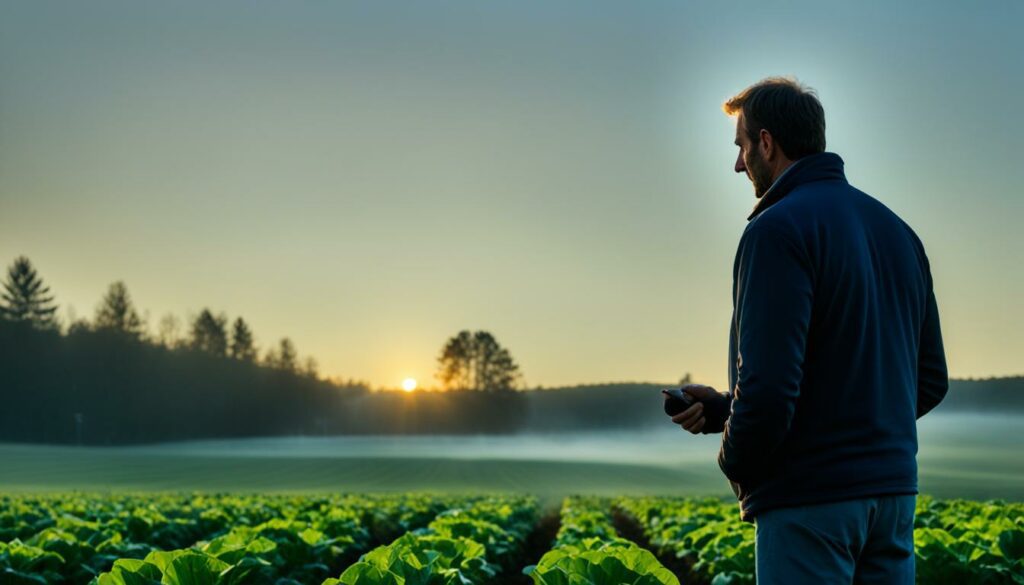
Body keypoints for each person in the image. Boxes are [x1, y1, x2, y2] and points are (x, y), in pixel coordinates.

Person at [668, 77, 949, 584]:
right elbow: (928, 381)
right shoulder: (899, 232)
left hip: (808, 502)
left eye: (741, 146)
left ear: (767, 143)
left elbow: (772, 393)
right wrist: (725, 409)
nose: (738, 164)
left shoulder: (776, 230)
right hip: (893, 501)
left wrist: (733, 456)